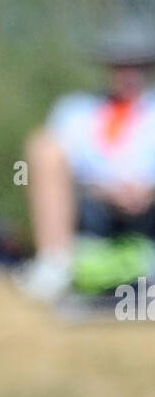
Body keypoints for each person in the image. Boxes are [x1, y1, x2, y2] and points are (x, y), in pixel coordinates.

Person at [21, 17, 155, 306]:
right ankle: (55, 263)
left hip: (148, 213)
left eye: (136, 65)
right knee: (42, 146)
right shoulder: (75, 109)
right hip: (91, 208)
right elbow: (58, 168)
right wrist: (104, 190)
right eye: (121, 65)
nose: (128, 73)